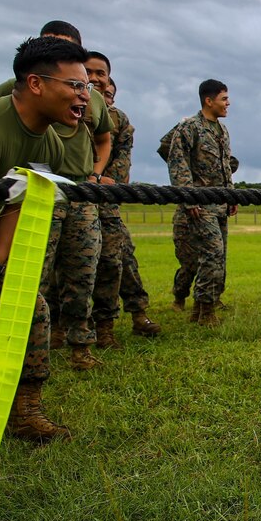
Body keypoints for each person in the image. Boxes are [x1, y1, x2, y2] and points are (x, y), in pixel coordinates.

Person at [0, 36, 86, 451]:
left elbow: (15, 205)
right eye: (75, 86)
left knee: (30, 307)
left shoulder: (47, 143)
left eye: (88, 87)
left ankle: (24, 412)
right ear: (36, 84)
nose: (84, 97)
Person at [0, 22, 114, 370]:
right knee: (31, 271)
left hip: (79, 192)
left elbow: (104, 137)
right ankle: (19, 348)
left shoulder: (89, 97)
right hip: (34, 190)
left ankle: (80, 345)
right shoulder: (12, 89)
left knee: (82, 270)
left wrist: (94, 172)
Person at [85, 58, 161, 347]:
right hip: (69, 193)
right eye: (88, 74)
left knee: (118, 258)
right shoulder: (65, 111)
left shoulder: (119, 121)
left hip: (105, 197)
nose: (95, 83)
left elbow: (122, 163)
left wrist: (102, 179)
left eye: (103, 81)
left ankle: (128, 318)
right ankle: (66, 326)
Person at [161, 79, 236, 326]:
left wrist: (232, 196)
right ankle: (206, 311)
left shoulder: (222, 131)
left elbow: (226, 167)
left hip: (220, 204)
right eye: (224, 99)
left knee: (219, 257)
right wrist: (189, 199)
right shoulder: (190, 127)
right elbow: (178, 164)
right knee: (211, 253)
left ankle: (200, 309)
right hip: (199, 205)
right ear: (208, 100)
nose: (228, 103)